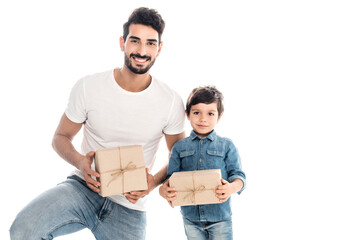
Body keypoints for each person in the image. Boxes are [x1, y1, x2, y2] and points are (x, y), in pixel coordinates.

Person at [10, 7, 185, 240]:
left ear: (159, 48)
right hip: (83, 188)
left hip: (129, 206)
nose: (142, 51)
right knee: (24, 230)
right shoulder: (89, 87)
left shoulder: (170, 101)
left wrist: (152, 182)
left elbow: (180, 153)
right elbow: (60, 137)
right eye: (135, 41)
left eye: (151, 43)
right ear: (122, 43)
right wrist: (81, 162)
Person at [159, 86, 246, 240]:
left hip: (220, 218)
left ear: (219, 116)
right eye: (196, 112)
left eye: (210, 113)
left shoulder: (227, 145)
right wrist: (164, 191)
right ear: (187, 114)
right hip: (191, 219)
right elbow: (170, 178)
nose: (203, 119)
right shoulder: (179, 147)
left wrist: (231, 187)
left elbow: (239, 176)